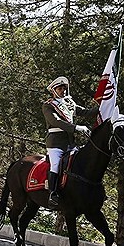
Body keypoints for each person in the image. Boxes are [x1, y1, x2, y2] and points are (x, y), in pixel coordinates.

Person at [42, 76, 98, 209]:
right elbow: (56, 122)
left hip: (70, 143)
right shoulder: (48, 106)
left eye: (64, 88)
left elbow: (86, 112)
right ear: (54, 91)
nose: (63, 91)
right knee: (55, 164)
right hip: (55, 143)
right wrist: (76, 127)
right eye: (60, 89)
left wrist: (103, 106)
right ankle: (53, 193)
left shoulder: (69, 104)